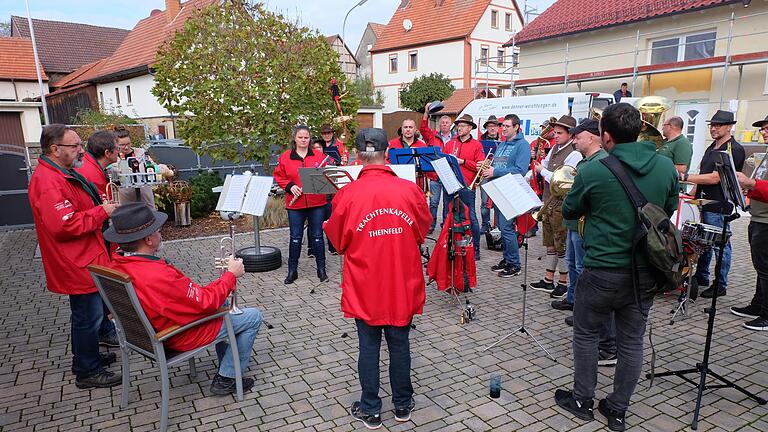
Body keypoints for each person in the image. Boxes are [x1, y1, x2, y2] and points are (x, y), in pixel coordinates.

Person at [556, 103, 678, 431]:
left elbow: (570, 209)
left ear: (605, 136)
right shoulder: (666, 167)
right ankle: (618, 409)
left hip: (602, 270)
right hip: (646, 273)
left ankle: (582, 399)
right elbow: (667, 209)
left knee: (585, 334)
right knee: (632, 341)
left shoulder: (594, 169)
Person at [324, 128, 431, 430]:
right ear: (387, 153)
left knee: (368, 347)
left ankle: (371, 409)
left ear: (357, 157)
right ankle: (402, 405)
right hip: (400, 281)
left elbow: (338, 242)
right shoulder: (409, 190)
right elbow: (422, 231)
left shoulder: (347, 194)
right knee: (400, 344)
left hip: (366, 285)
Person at [105, 203, 263, 395]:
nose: (160, 234)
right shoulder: (158, 274)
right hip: (177, 334)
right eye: (158, 231)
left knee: (223, 303)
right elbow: (205, 302)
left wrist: (219, 284)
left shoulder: (116, 264)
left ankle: (228, 362)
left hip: (154, 329)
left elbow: (193, 297)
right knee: (253, 317)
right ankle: (228, 378)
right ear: (148, 239)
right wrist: (230, 275)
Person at [28, 124, 121, 389]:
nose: (81, 150)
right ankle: (87, 371)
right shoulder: (49, 182)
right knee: (87, 317)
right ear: (55, 150)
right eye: (75, 146)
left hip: (84, 256)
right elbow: (64, 225)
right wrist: (101, 212)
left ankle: (87, 358)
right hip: (77, 261)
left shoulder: (62, 172)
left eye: (80, 144)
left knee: (86, 316)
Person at [550, 119, 617, 367]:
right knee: (574, 266)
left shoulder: (598, 163)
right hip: (575, 224)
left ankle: (602, 338)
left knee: (587, 274)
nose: (574, 140)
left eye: (578, 136)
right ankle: (578, 308)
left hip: (587, 226)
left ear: (593, 137)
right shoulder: (586, 162)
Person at [684, 110, 745, 298]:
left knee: (721, 245)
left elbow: (714, 178)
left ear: (729, 127)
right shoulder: (713, 146)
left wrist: (684, 177)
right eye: (712, 125)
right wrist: (691, 195)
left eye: (718, 125)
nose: (714, 128)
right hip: (704, 202)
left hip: (720, 204)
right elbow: (704, 173)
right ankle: (702, 276)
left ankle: (721, 284)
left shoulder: (733, 149)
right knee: (704, 243)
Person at [531, 116, 583, 297]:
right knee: (550, 244)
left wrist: (540, 170)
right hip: (548, 202)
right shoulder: (554, 148)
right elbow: (542, 166)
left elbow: (562, 179)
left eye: (560, 133)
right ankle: (548, 279)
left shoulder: (574, 154)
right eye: (555, 132)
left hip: (561, 204)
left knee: (561, 245)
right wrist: (528, 175)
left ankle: (563, 282)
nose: (556, 135)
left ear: (571, 134)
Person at [273, 125, 329, 284]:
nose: (304, 140)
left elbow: (326, 176)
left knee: (317, 236)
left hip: (316, 202)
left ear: (310, 139)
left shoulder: (319, 156)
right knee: (296, 237)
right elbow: (279, 176)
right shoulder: (285, 157)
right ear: (295, 139)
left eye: (306, 137)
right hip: (295, 204)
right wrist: (290, 186)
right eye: (300, 137)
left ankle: (321, 270)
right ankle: (292, 271)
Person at [480, 114, 530, 277]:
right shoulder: (502, 144)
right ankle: (507, 259)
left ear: (516, 127)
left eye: (507, 126)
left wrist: (496, 171)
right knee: (502, 227)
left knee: (507, 228)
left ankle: (514, 264)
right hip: (498, 189)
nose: (503, 128)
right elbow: (497, 164)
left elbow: (520, 170)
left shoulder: (522, 145)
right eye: (503, 126)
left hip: (510, 189)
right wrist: (487, 166)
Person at [731, 116, 768, 331]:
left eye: (766, 128)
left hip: (766, 221)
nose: (763, 132)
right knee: (760, 267)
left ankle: (766, 315)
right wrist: (749, 188)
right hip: (758, 217)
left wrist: (751, 183)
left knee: (765, 269)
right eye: (762, 129)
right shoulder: (764, 154)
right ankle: (758, 305)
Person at [442, 114, 485, 259]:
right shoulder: (450, 144)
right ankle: (450, 246)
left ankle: (475, 249)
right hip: (450, 184)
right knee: (448, 216)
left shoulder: (477, 145)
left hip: (467, 186)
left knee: (471, 217)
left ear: (470, 128)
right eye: (458, 126)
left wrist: (463, 161)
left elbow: (480, 167)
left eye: (463, 126)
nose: (459, 128)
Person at [420, 105, 455, 233]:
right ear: (439, 125)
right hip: (435, 176)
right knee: (433, 203)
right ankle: (431, 224)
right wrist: (426, 112)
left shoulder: (456, 138)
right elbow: (423, 128)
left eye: (446, 123)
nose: (444, 125)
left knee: (447, 204)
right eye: (442, 123)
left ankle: (446, 225)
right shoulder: (432, 136)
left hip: (449, 176)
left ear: (450, 125)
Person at [113, 126, 156, 209]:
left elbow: (152, 166)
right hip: (125, 197)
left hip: (144, 196)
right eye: (122, 145)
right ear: (116, 145)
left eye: (128, 144)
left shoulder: (141, 153)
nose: (126, 147)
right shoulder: (114, 158)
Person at [77, 130, 119, 203]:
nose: (118, 152)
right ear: (107, 153)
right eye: (117, 149)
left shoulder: (87, 162)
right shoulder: (93, 176)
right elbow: (106, 206)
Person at [478, 115, 501, 232]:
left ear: (498, 128)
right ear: (486, 128)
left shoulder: (504, 141)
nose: (492, 128)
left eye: (495, 126)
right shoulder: (480, 142)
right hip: (485, 174)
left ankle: (499, 225)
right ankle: (485, 224)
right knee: (484, 201)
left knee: (499, 201)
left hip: (499, 174)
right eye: (490, 126)